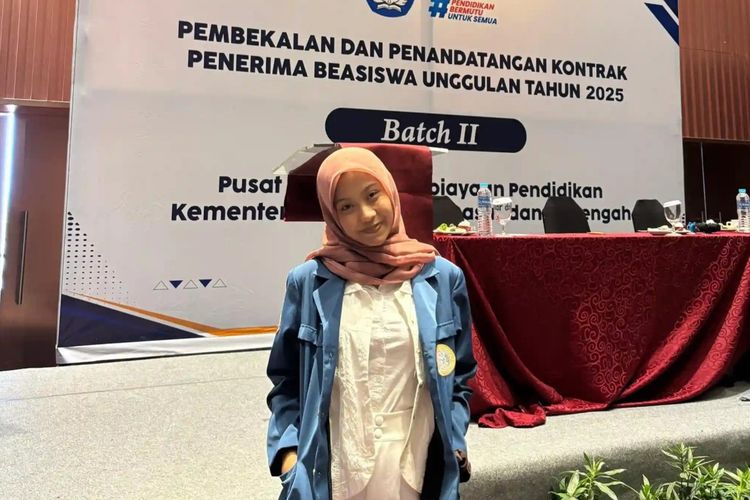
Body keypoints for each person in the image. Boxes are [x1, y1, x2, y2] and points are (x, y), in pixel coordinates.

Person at [266, 147, 476, 499]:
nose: (366, 214)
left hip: (417, 469)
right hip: (337, 471)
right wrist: (289, 458)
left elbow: (459, 375)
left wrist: (454, 440)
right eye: (346, 206)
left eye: (372, 194)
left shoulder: (443, 279)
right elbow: (286, 382)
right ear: (331, 214)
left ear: (390, 191)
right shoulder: (308, 282)